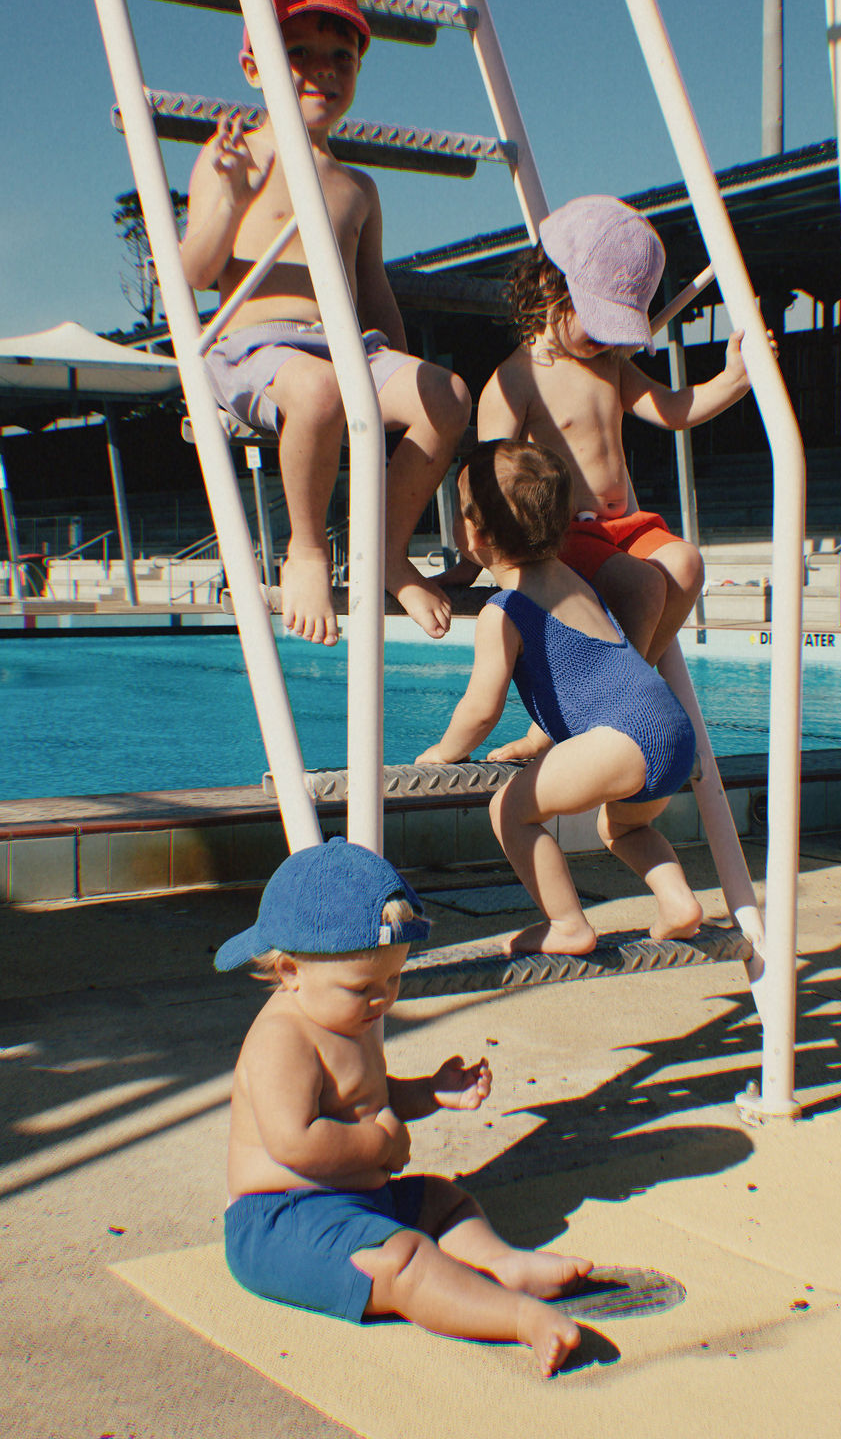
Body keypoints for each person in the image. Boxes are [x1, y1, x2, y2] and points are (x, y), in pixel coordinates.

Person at [215, 837, 592, 1376]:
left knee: (443, 1201)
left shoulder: (348, 1015)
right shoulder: (283, 1040)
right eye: (362, 986)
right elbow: (295, 1141)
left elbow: (368, 1094)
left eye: (393, 978)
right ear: (292, 972)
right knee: (403, 1260)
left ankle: (499, 1263)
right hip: (281, 1220)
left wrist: (429, 1093)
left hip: (357, 1200)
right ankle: (517, 1318)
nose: (382, 998)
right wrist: (379, 1143)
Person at [181, 0, 470, 647]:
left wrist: (406, 376)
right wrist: (226, 197)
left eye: (341, 57)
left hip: (351, 349)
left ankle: (387, 550)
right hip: (256, 349)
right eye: (299, 53)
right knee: (314, 392)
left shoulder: (357, 187)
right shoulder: (235, 158)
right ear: (255, 69)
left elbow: (375, 296)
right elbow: (194, 272)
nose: (322, 71)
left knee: (449, 393)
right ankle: (307, 549)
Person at [475, 194, 771, 762]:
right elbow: (489, 475)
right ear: (551, 289)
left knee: (684, 563)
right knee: (643, 586)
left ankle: (620, 696)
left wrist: (735, 381)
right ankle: (594, 711)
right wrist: (481, 555)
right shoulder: (515, 382)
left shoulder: (610, 364)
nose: (608, 340)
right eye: (599, 323)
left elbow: (670, 408)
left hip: (625, 526)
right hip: (565, 537)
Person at [416, 440, 702, 957]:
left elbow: (481, 709)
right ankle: (678, 902)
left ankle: (567, 924)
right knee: (623, 827)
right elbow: (581, 671)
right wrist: (538, 737)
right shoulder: (574, 582)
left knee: (509, 810)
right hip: (672, 729)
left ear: (472, 532)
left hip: (623, 738)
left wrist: (443, 753)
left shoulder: (504, 610)